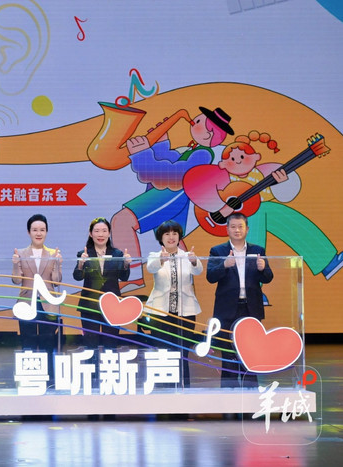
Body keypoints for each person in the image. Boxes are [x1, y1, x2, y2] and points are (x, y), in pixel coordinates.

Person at [183, 130, 343, 281]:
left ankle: (326, 261)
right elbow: (197, 186)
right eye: (232, 159)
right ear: (223, 164)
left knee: (273, 211)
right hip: (223, 221)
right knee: (259, 213)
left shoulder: (260, 176)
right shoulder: (221, 178)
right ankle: (252, 284)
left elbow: (270, 197)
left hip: (255, 214)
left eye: (243, 156)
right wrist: (220, 207)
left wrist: (280, 184)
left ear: (255, 158)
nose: (237, 160)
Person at [110, 106, 233, 292]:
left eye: (198, 121)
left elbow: (173, 175)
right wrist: (160, 144)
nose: (193, 121)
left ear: (208, 134)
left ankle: (131, 277)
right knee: (172, 236)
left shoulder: (203, 154)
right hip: (170, 194)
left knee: (122, 221)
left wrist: (141, 154)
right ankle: (185, 282)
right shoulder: (194, 149)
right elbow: (171, 160)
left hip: (169, 195)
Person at [206, 213, 273, 388]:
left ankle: (250, 389)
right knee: (228, 352)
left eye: (240, 226)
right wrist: (224, 265)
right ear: (227, 229)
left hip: (250, 308)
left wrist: (263, 268)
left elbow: (268, 277)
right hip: (227, 309)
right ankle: (229, 390)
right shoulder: (217, 251)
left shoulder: (258, 250)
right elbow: (210, 276)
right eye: (233, 227)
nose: (237, 230)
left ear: (247, 229)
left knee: (250, 351)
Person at [145, 220, 203, 388]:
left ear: (179, 236)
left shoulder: (187, 255)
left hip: (186, 312)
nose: (171, 237)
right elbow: (151, 268)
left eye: (174, 233)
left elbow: (198, 270)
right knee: (163, 351)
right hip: (160, 312)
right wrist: (161, 260)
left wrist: (194, 261)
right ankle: (163, 390)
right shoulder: (154, 255)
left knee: (182, 351)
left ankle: (183, 388)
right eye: (167, 234)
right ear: (160, 237)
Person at [72, 217, 131, 350]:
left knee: (111, 344)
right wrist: (81, 264)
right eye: (97, 231)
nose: (101, 234)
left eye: (104, 231)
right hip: (90, 304)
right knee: (90, 344)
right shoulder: (84, 254)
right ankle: (92, 364)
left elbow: (124, 277)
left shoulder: (117, 254)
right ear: (90, 233)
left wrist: (126, 265)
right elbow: (77, 277)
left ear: (109, 233)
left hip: (112, 305)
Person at [12, 214, 63, 358]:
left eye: (42, 230)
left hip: (48, 303)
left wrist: (58, 265)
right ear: (29, 232)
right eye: (35, 230)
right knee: (28, 344)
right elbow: (16, 280)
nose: (38, 233)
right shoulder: (20, 253)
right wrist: (15, 265)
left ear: (46, 232)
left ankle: (49, 372)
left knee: (48, 344)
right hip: (27, 302)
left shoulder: (53, 253)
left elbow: (56, 281)